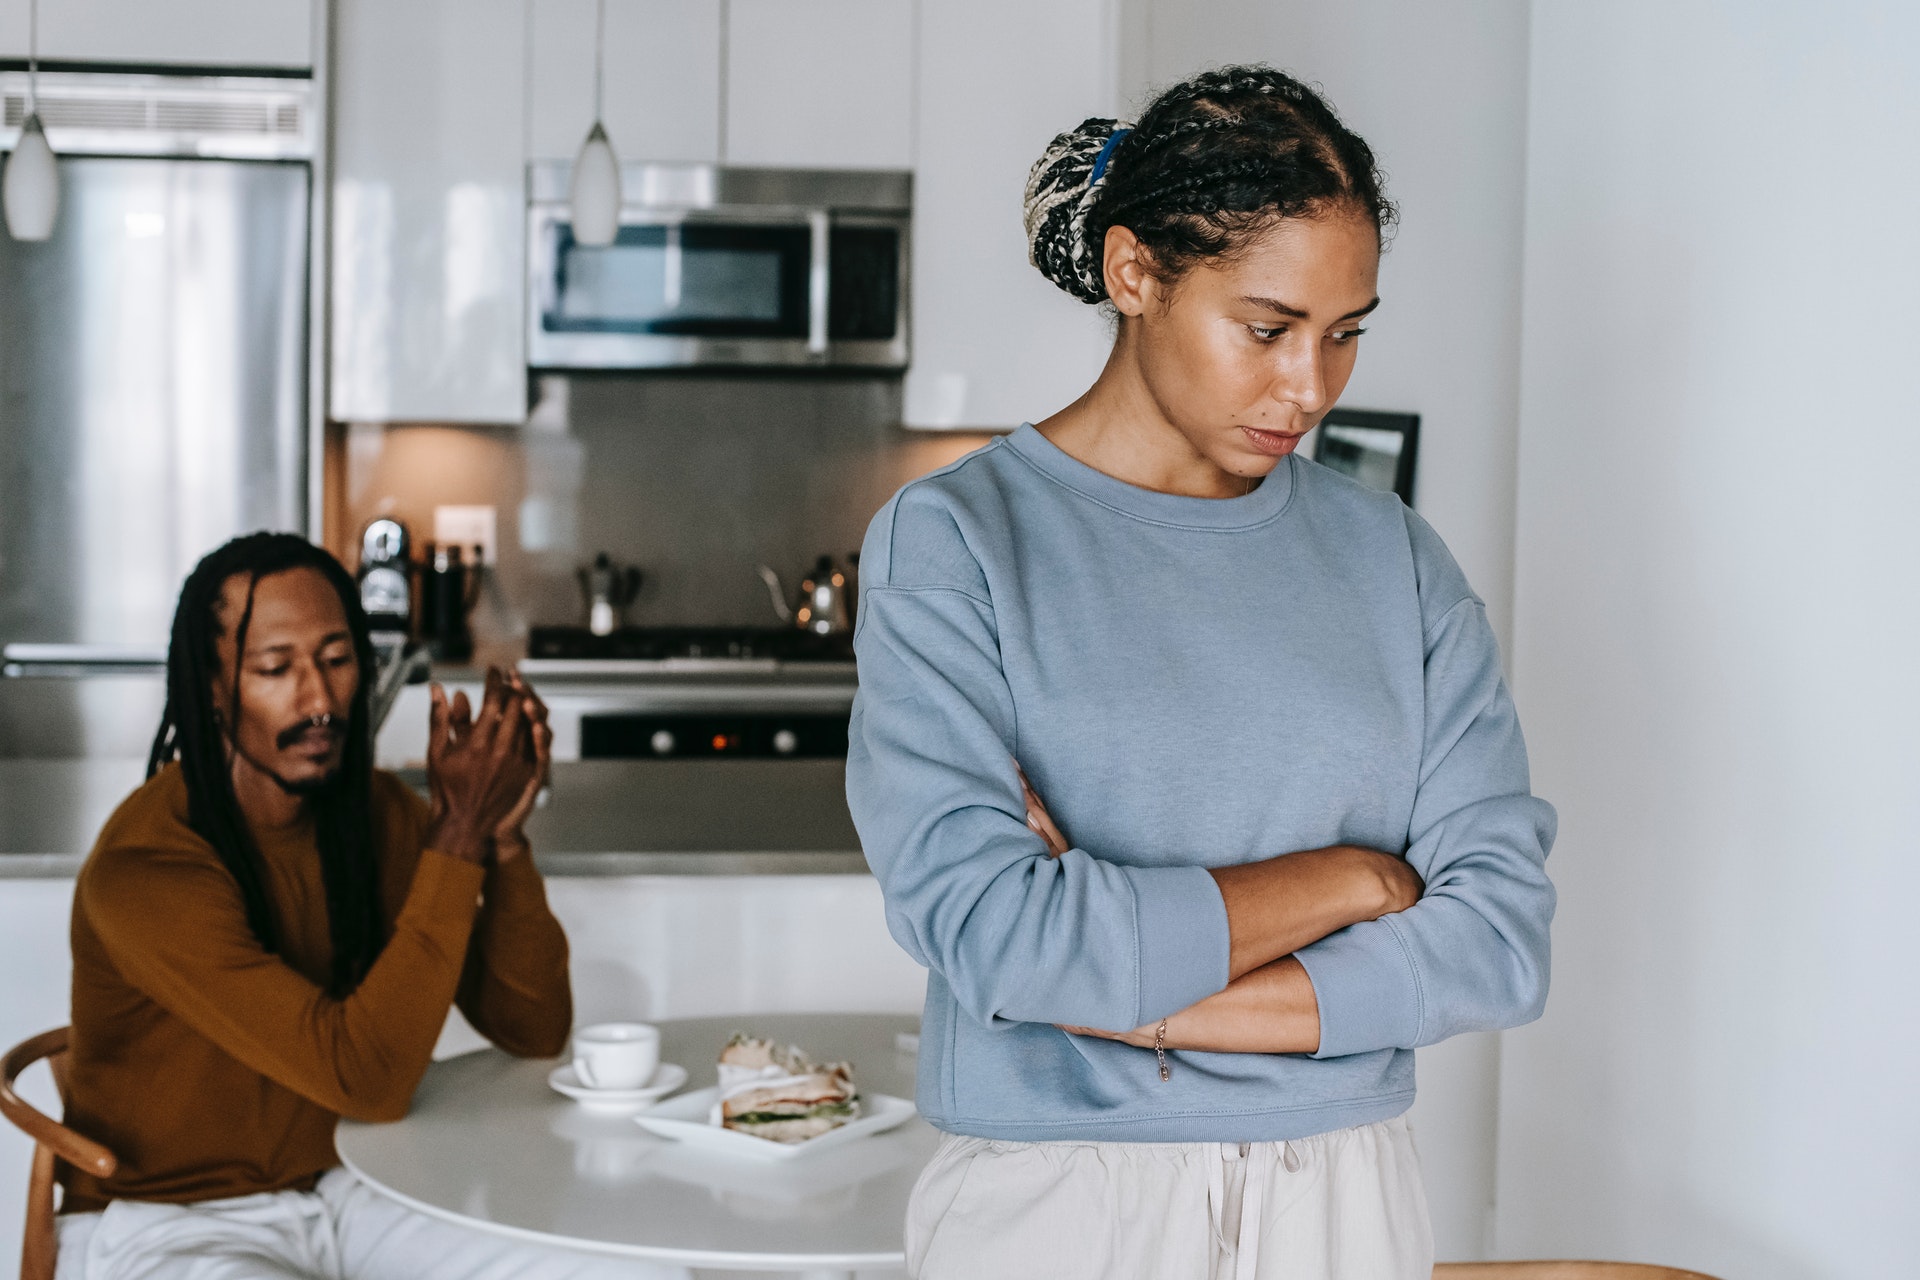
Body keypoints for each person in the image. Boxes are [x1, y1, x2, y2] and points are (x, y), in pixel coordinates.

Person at [845, 66, 1558, 1280]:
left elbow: (1496, 941)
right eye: (1268, 328)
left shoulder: (1394, 559)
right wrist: (1351, 876)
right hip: (1056, 1203)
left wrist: (1141, 995)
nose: (1311, 388)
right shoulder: (959, 539)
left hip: (1344, 1192)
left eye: (1343, 336)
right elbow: (997, 934)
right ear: (1135, 274)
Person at [55, 533, 682, 1280]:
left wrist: (500, 842)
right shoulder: (148, 869)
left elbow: (533, 1028)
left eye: (337, 659)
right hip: (177, 1222)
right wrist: (456, 835)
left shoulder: (372, 816)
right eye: (275, 669)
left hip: (357, 1186)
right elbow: (366, 1079)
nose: (318, 700)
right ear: (213, 688)